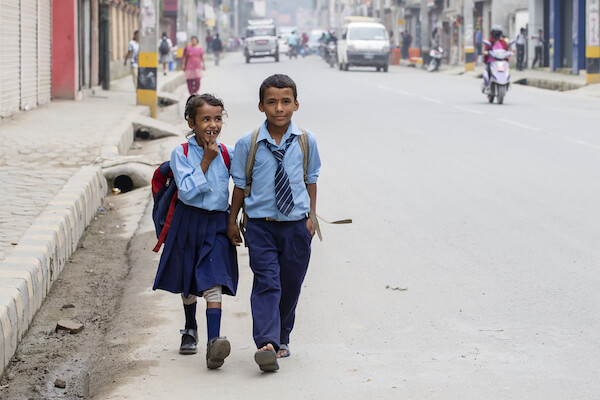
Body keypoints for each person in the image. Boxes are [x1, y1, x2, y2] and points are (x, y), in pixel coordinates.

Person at [228, 74, 321, 372]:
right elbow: (240, 186)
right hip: (261, 226)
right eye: (272, 102)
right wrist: (233, 221)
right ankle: (266, 343)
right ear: (261, 106)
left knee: (291, 284)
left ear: (295, 104)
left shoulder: (306, 141)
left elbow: (311, 180)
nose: (278, 108)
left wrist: (312, 217)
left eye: (285, 101)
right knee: (267, 281)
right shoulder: (248, 143)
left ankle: (282, 337)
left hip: (296, 226)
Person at [153, 93, 238, 370]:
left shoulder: (227, 153)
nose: (212, 125)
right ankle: (190, 327)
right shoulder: (182, 153)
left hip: (215, 224)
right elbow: (187, 192)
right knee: (188, 280)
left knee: (213, 280)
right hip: (187, 221)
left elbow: (245, 180)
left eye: (217, 119)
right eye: (205, 119)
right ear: (191, 121)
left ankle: (214, 343)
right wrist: (206, 162)